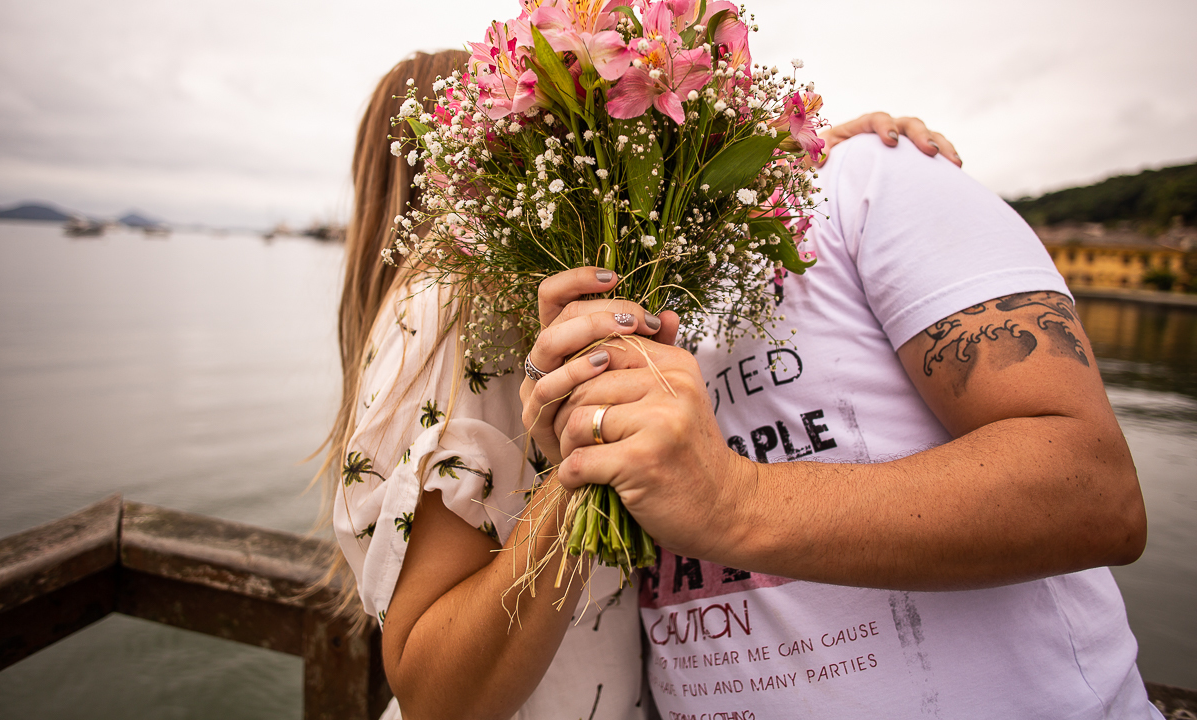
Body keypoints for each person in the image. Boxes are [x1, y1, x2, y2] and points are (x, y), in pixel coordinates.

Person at [322, 49, 964, 720]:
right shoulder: (449, 300)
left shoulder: (526, 289)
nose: (559, 136)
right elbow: (434, 696)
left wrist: (791, 159)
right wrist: (586, 457)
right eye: (527, 124)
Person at [521, 134, 1159, 717]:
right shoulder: (591, 297)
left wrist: (734, 501)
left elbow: (1095, 492)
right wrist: (574, 460)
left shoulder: (867, 178)